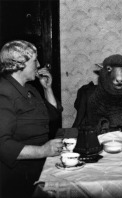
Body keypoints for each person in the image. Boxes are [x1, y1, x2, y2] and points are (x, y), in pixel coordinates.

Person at [0, 40, 64, 198]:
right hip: (17, 175)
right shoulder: (4, 93)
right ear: (20, 64)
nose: (39, 64)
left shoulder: (29, 89)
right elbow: (3, 144)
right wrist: (43, 150)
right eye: (35, 60)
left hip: (38, 165)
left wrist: (47, 88)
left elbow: (53, 116)